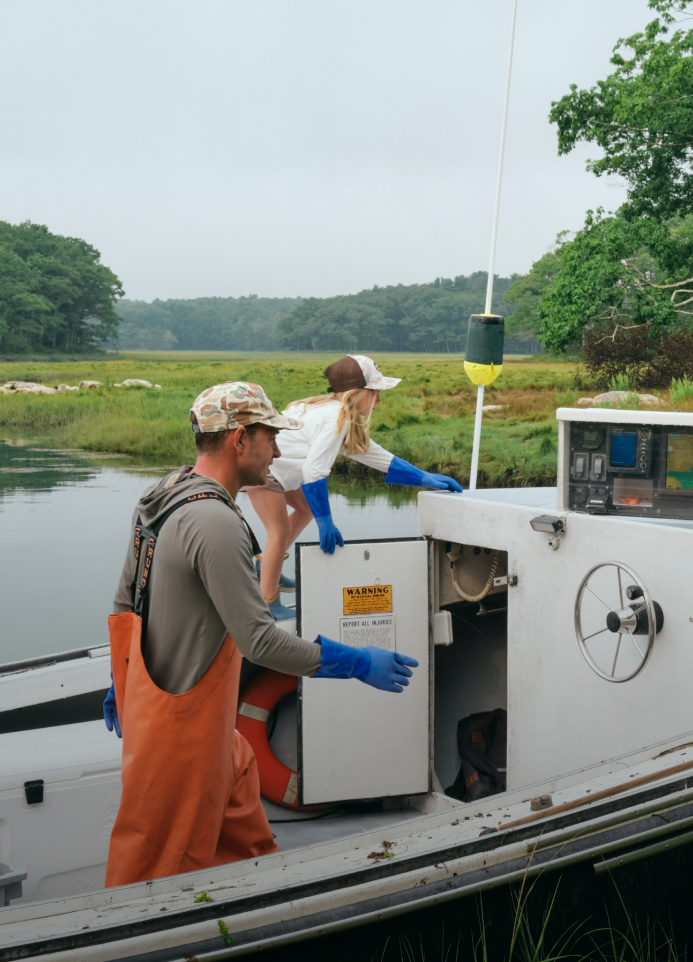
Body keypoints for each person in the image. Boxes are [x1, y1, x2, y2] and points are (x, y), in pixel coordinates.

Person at [103, 382, 418, 888]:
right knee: (155, 877)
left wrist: (122, 683)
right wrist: (354, 662)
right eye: (270, 436)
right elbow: (260, 642)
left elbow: (126, 603)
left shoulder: (162, 493)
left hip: (182, 717)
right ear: (239, 440)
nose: (276, 448)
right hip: (180, 739)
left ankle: (256, 906)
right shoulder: (216, 523)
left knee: (242, 802)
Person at [246, 354, 463, 620]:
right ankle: (267, 603)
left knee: (304, 510)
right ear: (357, 393)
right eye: (375, 393)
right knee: (278, 532)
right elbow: (314, 470)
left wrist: (422, 477)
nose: (379, 401)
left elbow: (371, 453)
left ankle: (269, 569)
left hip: (279, 471)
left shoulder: (325, 409)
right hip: (264, 471)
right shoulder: (338, 418)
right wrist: (326, 521)